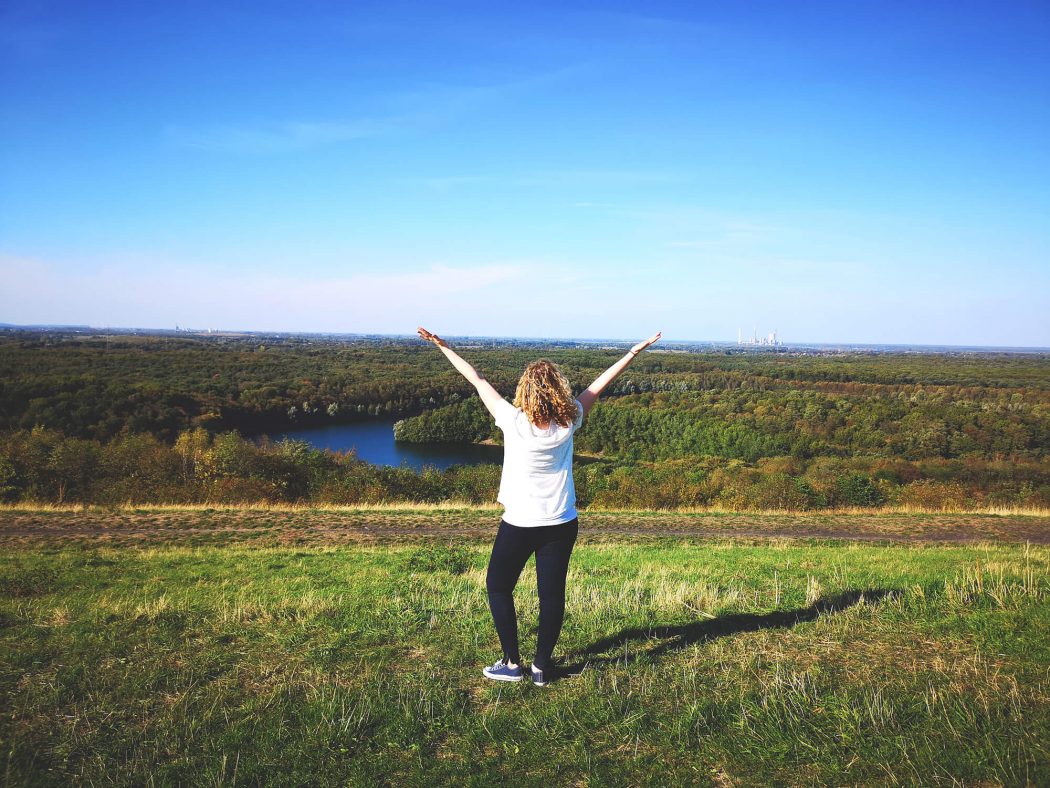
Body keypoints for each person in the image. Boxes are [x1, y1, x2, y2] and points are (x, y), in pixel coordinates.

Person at [416, 327, 662, 686]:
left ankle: (512, 663)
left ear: (524, 392)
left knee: (498, 586)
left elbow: (475, 377)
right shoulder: (571, 419)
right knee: (552, 596)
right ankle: (542, 668)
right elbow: (599, 384)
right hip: (562, 522)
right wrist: (633, 352)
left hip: (519, 523)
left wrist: (443, 346)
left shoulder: (511, 421)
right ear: (559, 389)